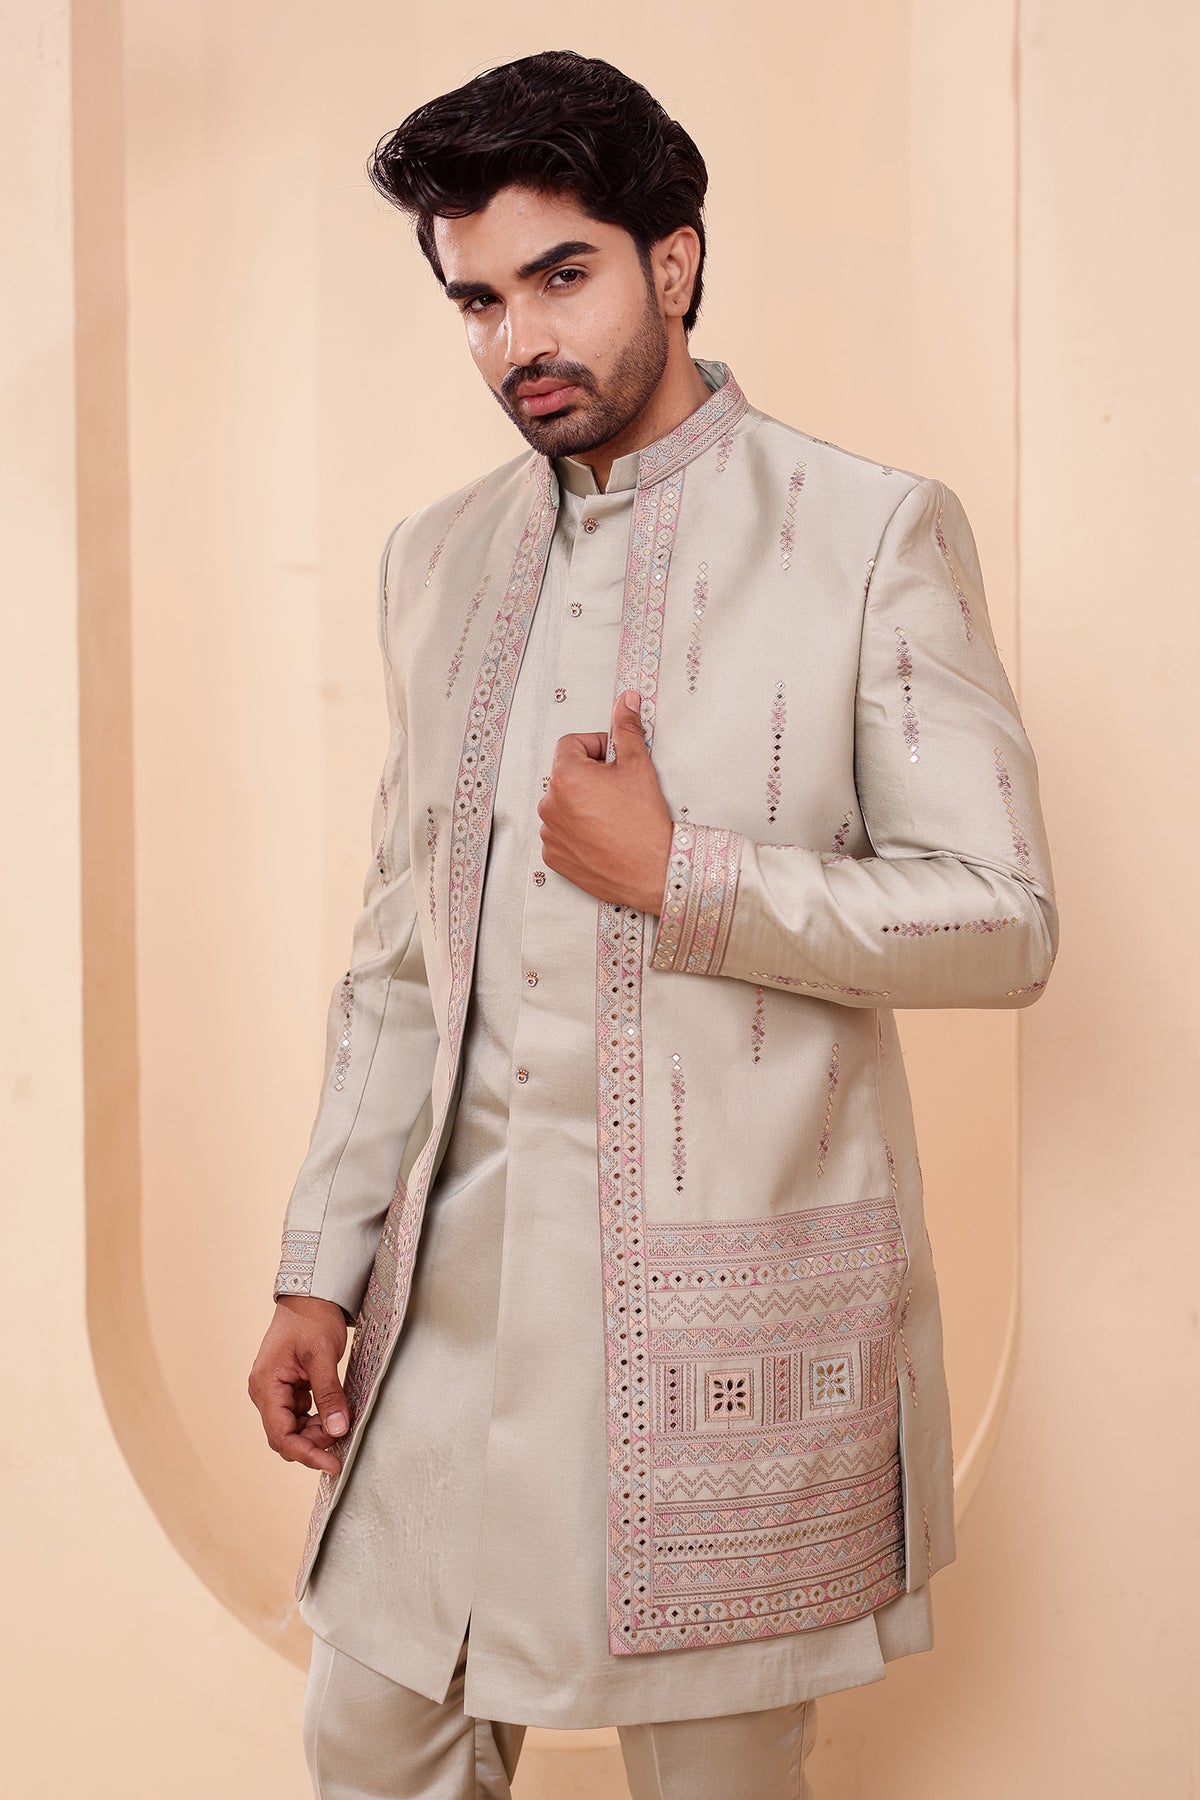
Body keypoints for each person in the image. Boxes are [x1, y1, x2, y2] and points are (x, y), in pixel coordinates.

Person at [246, 48, 1057, 1800]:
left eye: (562, 276)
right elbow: (398, 955)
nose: (517, 341)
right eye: (478, 300)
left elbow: (1004, 919)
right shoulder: (435, 561)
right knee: (369, 1736)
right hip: (444, 1319)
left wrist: (686, 878)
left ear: (672, 262)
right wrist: (322, 1264)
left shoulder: (865, 537)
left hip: (719, 1339)